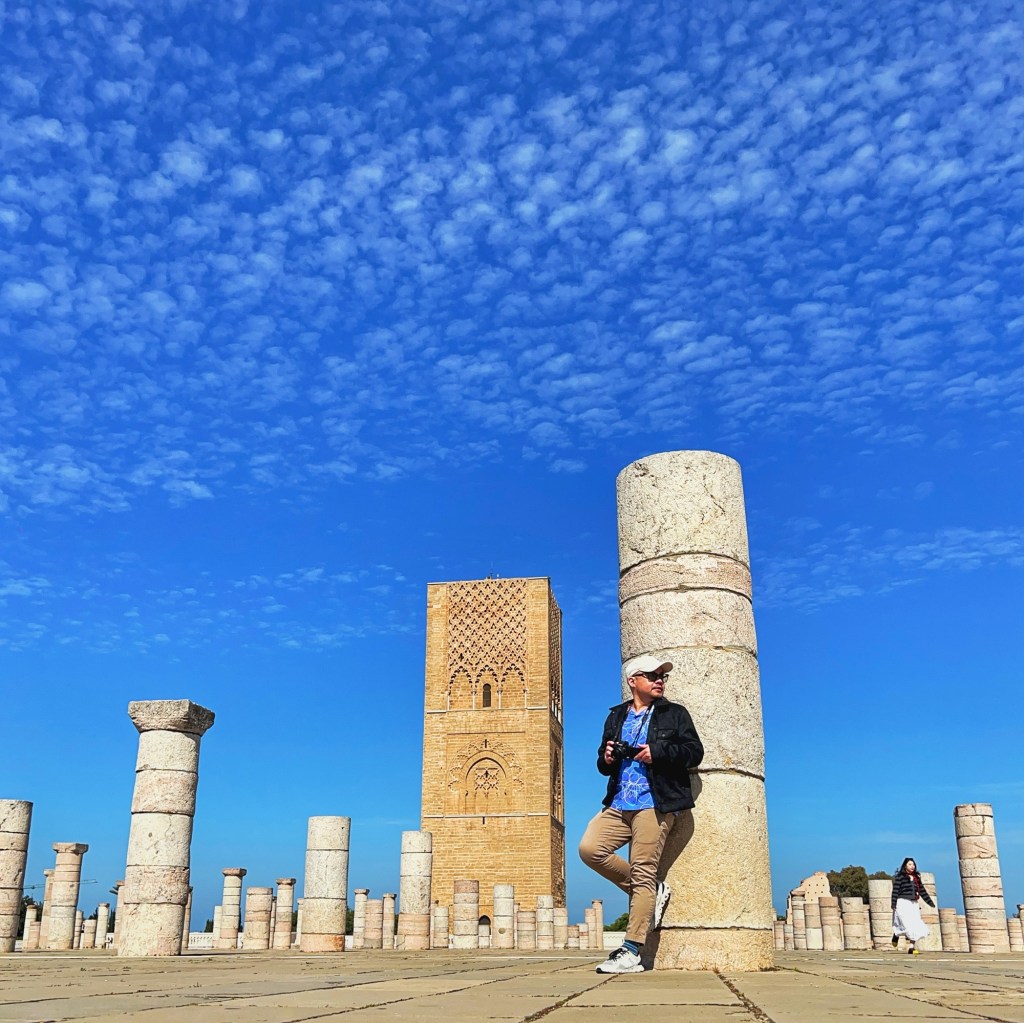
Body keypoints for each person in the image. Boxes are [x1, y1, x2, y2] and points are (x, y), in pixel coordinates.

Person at [578, 654, 704, 973]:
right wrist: (607, 756)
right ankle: (652, 892)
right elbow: (601, 764)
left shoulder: (674, 714)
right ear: (633, 681)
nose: (659, 679)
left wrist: (657, 752)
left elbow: (694, 752)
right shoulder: (616, 716)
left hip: (655, 802)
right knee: (590, 849)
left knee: (643, 869)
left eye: (662, 675)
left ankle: (632, 949)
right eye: (652, 675)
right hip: (620, 802)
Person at [891, 857, 934, 954]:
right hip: (902, 902)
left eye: (913, 864)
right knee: (905, 923)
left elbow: (922, 891)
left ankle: (911, 947)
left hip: (913, 903)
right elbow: (895, 891)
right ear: (905, 866)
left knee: (915, 924)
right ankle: (896, 934)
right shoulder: (900, 877)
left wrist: (930, 902)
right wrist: (893, 903)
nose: (912, 866)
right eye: (910, 864)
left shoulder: (916, 878)